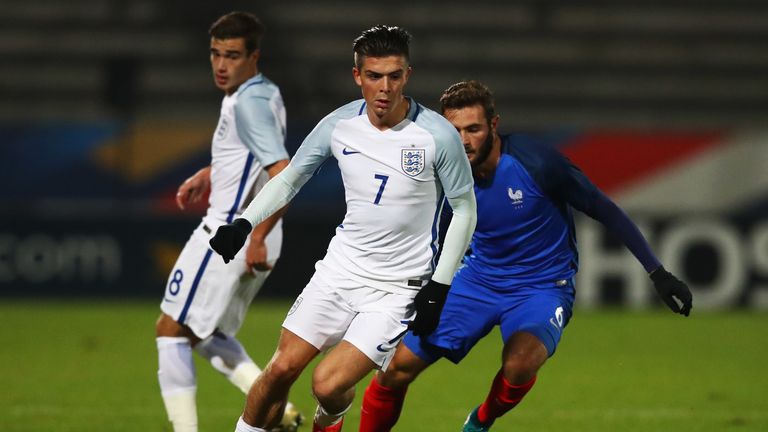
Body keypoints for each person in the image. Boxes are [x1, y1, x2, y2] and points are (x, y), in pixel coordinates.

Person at [358, 80, 694, 432]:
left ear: (494, 125)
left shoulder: (538, 163)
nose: (464, 140)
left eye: (473, 129)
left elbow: (604, 209)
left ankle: (481, 420)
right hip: (478, 280)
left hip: (543, 287)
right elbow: (436, 234)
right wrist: (429, 290)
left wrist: (657, 273)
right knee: (396, 370)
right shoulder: (443, 170)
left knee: (519, 367)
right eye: (454, 130)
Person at [208, 25, 477, 432]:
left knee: (327, 385)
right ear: (358, 77)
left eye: (393, 76)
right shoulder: (339, 124)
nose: (384, 88)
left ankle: (329, 417)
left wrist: (438, 287)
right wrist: (244, 222)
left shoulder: (437, 135)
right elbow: (290, 178)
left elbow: (464, 210)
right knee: (280, 369)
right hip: (339, 271)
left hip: (395, 289)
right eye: (373, 76)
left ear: (407, 75)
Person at [155, 11, 302, 432]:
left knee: (170, 331)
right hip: (251, 236)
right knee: (203, 333)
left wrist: (257, 235)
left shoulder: (249, 103)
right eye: (216, 54)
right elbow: (250, 158)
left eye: (233, 55)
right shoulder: (263, 92)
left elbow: (284, 175)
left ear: (254, 55)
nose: (221, 65)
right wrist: (210, 172)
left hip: (230, 235)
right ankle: (279, 412)